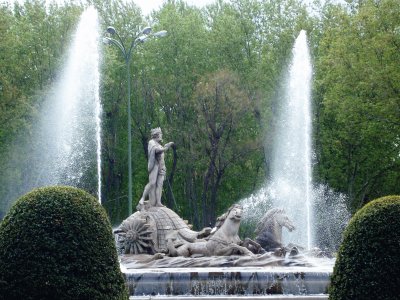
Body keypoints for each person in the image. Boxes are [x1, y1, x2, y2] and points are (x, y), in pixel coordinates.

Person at [138, 127, 174, 208]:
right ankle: (142, 198)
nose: (161, 136)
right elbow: (156, 151)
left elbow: (162, 158)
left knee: (160, 184)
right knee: (152, 182)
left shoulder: (160, 145)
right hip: (155, 165)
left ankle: (158, 202)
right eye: (161, 134)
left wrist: (164, 168)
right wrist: (165, 148)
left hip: (161, 167)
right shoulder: (151, 142)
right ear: (157, 135)